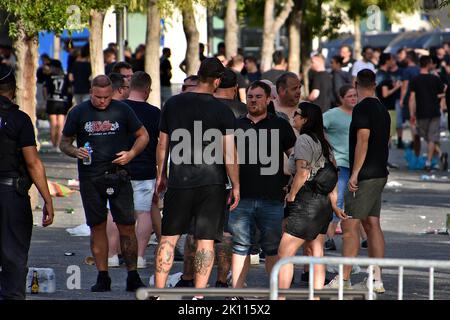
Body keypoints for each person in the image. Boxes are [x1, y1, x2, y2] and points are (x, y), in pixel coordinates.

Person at [154, 58, 239, 299]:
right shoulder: (223, 110)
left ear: (198, 75)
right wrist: (236, 185)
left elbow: (162, 144)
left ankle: (159, 293)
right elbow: (229, 152)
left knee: (168, 238)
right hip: (212, 182)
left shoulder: (173, 103)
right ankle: (198, 297)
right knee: (205, 242)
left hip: (180, 180)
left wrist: (161, 175)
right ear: (218, 80)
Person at [60, 75, 149, 292]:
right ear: (91, 92)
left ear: (113, 92)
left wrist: (131, 154)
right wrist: (75, 151)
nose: (102, 101)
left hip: (119, 174)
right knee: (97, 226)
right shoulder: (79, 112)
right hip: (91, 177)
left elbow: (143, 136)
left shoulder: (122, 110)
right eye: (98, 97)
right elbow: (64, 142)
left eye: (106, 97)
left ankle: (133, 275)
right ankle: (102, 276)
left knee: (126, 226)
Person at [229, 81, 296, 295]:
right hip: (241, 198)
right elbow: (228, 159)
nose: (253, 100)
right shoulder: (236, 125)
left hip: (272, 197)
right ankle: (236, 295)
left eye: (258, 96)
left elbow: (294, 157)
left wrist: (293, 182)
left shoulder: (280, 125)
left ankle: (276, 294)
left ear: (268, 99)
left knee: (272, 249)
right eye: (250, 96)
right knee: (240, 248)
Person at [0, 64, 54, 299]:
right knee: (13, 254)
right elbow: (32, 163)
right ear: (13, 90)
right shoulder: (18, 119)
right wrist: (47, 199)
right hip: (10, 196)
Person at [278, 102, 344, 295]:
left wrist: (291, 195)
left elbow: (302, 172)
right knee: (316, 253)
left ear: (305, 119)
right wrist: (334, 205)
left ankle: (279, 297)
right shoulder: (324, 143)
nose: (293, 117)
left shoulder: (304, 140)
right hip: (323, 205)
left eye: (297, 114)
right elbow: (332, 177)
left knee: (284, 254)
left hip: (307, 203)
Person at [340, 69, 391, 294]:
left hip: (365, 174)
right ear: (376, 84)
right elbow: (386, 140)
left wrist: (354, 173)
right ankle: (376, 278)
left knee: (350, 225)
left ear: (356, 83)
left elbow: (363, 139)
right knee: (372, 224)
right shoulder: (382, 108)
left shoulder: (362, 107)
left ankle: (343, 279)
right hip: (380, 172)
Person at [323, 85, 357, 251]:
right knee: (338, 201)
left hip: (357, 165)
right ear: (342, 98)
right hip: (340, 163)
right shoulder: (332, 114)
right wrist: (328, 146)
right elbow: (318, 127)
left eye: (355, 96)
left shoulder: (360, 114)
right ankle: (328, 237)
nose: (353, 98)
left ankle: (360, 236)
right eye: (350, 96)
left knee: (356, 202)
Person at [409, 55, 447, 171]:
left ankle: (432, 160)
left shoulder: (415, 79)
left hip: (421, 112)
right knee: (431, 138)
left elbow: (412, 98)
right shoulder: (435, 78)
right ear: (429, 63)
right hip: (434, 112)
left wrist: (412, 114)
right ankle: (432, 160)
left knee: (424, 136)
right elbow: (442, 92)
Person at [43, 59, 72, 151]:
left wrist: (45, 99)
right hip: (63, 101)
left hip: (52, 101)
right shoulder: (65, 76)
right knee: (60, 124)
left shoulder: (50, 76)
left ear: (54, 67)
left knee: (53, 124)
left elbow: (45, 89)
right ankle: (59, 145)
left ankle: (53, 144)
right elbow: (70, 89)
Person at [400, 50, 420, 156]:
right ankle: (416, 138)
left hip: (409, 97)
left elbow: (405, 86)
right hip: (419, 97)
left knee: (410, 120)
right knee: (416, 119)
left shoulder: (407, 70)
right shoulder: (419, 69)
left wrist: (402, 99)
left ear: (409, 58)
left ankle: (413, 138)